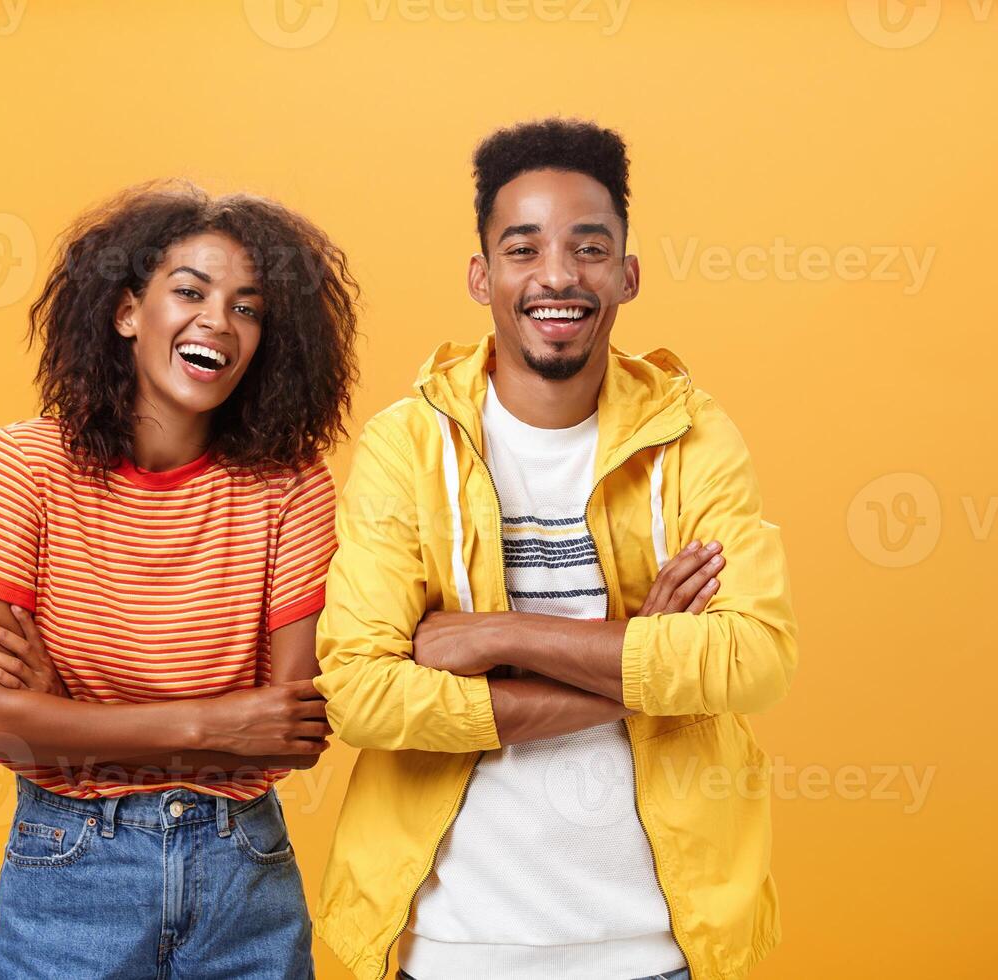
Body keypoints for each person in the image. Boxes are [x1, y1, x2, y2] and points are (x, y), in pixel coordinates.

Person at [311, 118, 799, 980]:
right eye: (523, 248)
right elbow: (359, 694)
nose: (557, 277)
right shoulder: (405, 446)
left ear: (626, 274)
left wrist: (499, 636)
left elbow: (754, 658)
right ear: (482, 276)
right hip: (455, 946)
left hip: (656, 945)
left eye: (588, 247)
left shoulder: (693, 435)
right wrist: (642, 655)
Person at [0, 180, 359, 979]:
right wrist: (212, 726)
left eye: (248, 308)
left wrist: (66, 711)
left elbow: (289, 731)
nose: (218, 321)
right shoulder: (27, 464)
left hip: (242, 871)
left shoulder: (291, 484)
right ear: (126, 311)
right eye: (190, 292)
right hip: (69, 867)